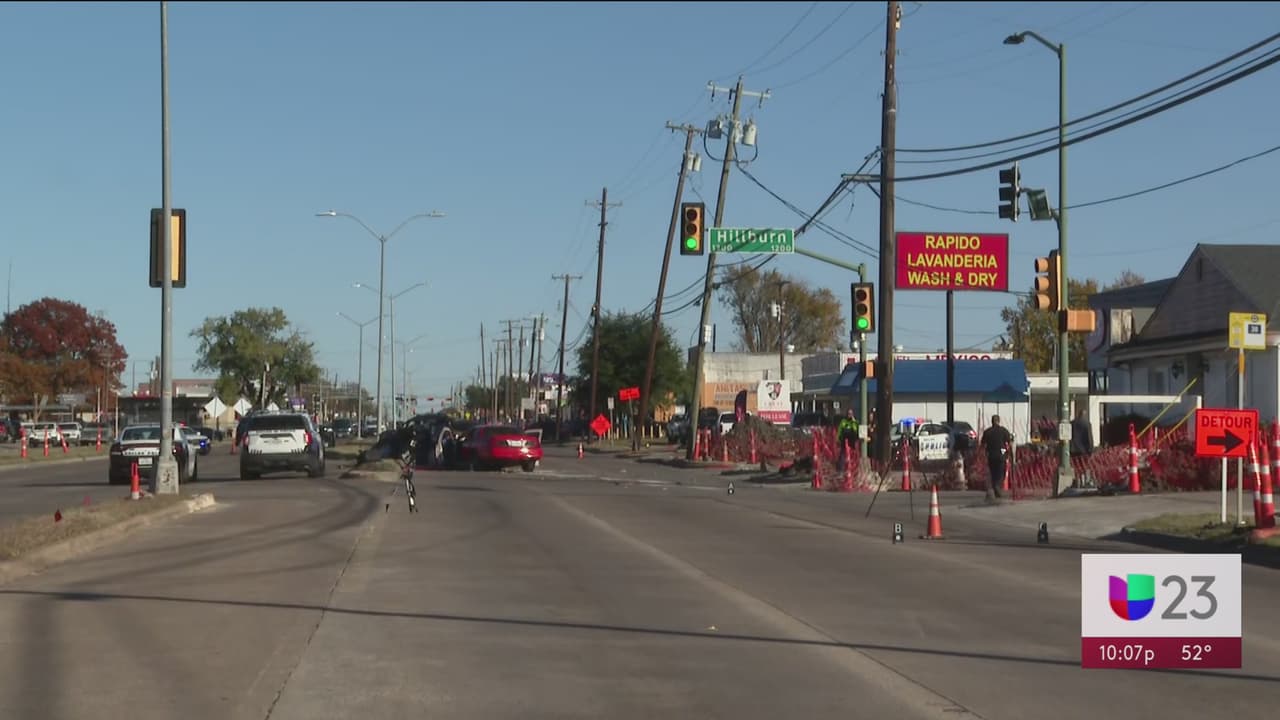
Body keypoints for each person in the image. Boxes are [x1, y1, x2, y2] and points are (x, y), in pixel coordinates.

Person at [981, 415, 1014, 499]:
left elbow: (982, 445)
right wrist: (1011, 455)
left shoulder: (987, 431)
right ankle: (997, 487)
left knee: (993, 473)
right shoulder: (1003, 431)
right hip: (1001, 453)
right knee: (1001, 473)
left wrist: (984, 454)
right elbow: (1010, 443)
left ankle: (996, 488)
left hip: (991, 455)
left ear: (992, 421)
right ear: (999, 421)